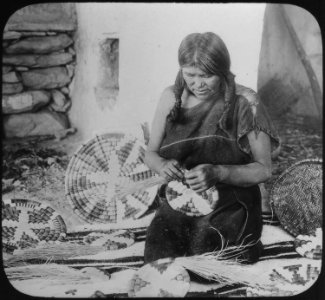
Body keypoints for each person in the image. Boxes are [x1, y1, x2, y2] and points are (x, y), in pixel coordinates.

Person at [143, 32, 280, 264]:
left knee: (207, 248)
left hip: (233, 198)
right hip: (183, 197)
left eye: (206, 76)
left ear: (222, 71)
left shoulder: (247, 103)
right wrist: (163, 165)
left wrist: (218, 172)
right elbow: (150, 153)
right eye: (190, 75)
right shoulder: (170, 97)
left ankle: (245, 246)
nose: (198, 84)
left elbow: (264, 170)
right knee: (158, 253)